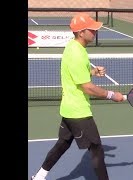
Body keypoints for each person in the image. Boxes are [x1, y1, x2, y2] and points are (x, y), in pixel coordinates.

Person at [31, 13, 125, 180]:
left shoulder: (72, 47)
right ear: (81, 32)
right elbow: (87, 87)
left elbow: (77, 73)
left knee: (63, 144)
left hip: (68, 110)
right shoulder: (77, 53)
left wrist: (93, 71)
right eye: (91, 29)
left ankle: (39, 176)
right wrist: (112, 95)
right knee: (96, 149)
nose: (95, 32)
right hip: (79, 112)